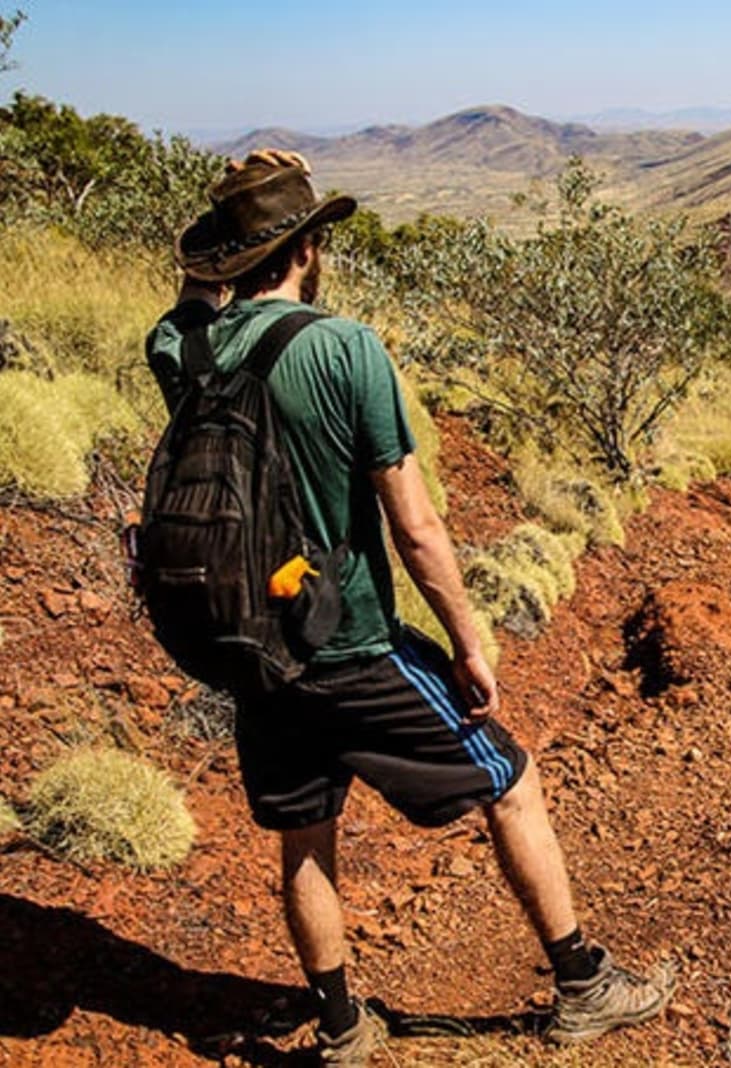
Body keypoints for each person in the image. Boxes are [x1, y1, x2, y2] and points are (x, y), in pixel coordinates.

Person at [145, 151, 672, 1064]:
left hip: (254, 652)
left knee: (303, 833)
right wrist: (471, 643)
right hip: (349, 642)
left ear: (231, 258)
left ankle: (345, 1026)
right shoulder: (346, 350)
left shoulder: (181, 350)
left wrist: (217, 236)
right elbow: (417, 528)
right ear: (308, 248)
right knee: (511, 783)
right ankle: (584, 984)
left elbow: (190, 298)